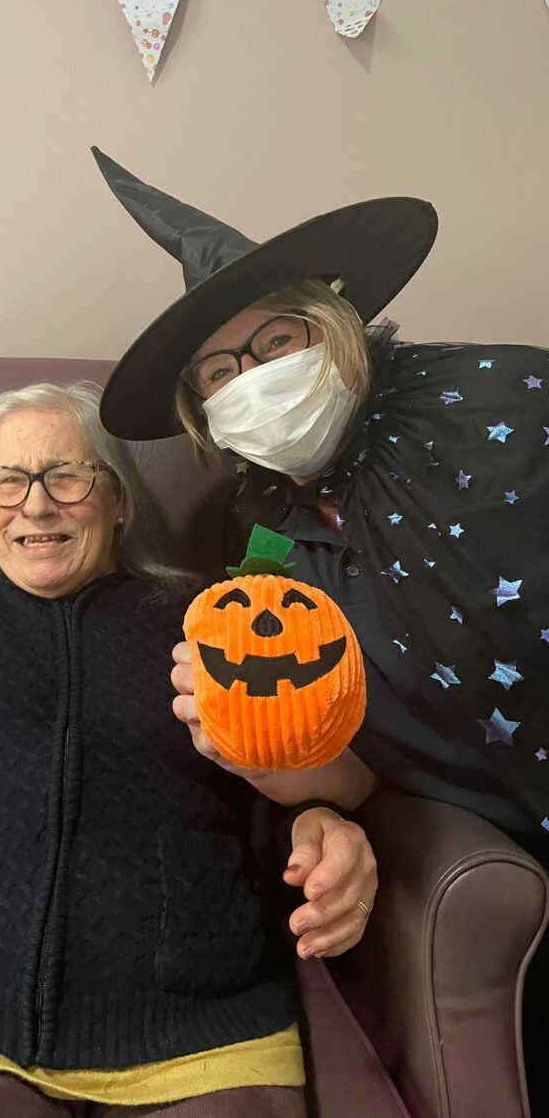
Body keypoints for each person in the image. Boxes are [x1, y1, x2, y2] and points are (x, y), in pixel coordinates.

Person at [91, 147, 549, 1110]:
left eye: (275, 341)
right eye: (220, 371)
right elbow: (347, 755)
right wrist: (272, 768)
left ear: (333, 324)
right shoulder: (262, 541)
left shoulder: (498, 400)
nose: (252, 378)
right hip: (520, 863)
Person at [0, 380, 377, 1118]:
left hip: (204, 1040)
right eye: (9, 480)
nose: (35, 505)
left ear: (117, 499)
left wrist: (320, 820)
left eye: (66, 476)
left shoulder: (205, 621)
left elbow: (285, 769)